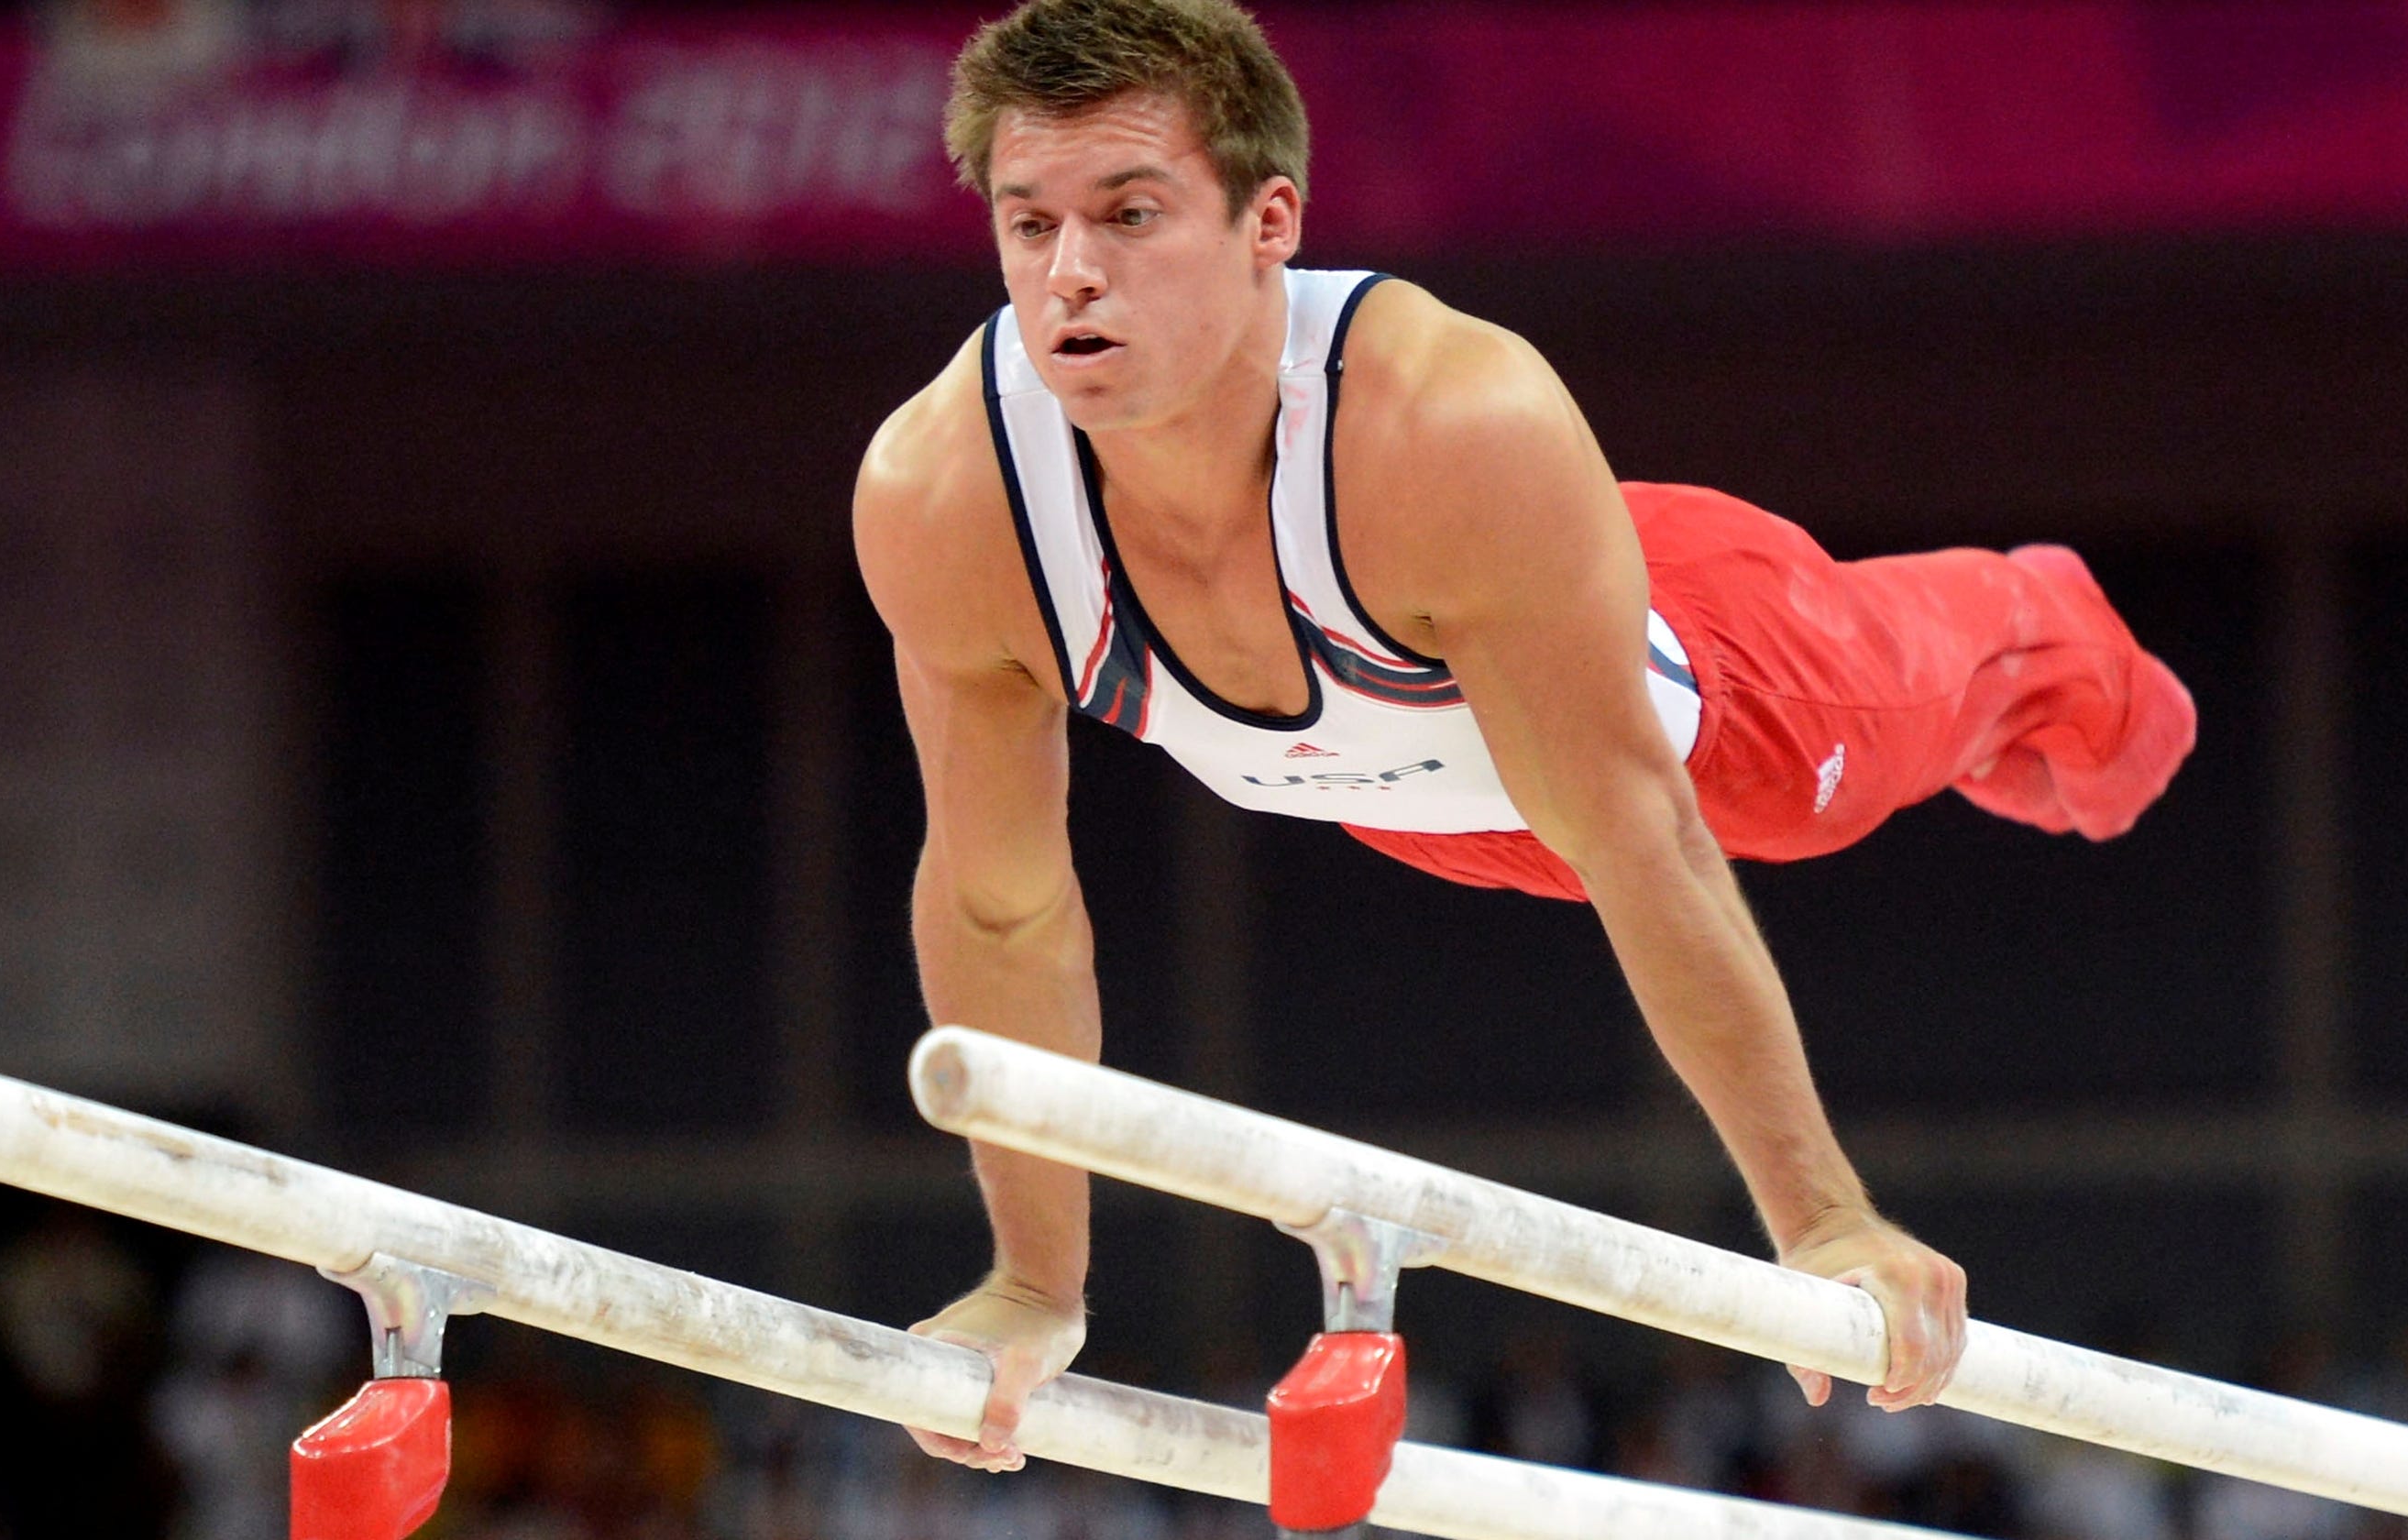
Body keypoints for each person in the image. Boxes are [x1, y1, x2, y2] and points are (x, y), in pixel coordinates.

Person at [852, 0, 2196, 1475]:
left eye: (1130, 213)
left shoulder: (1446, 423)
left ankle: (2068, 646)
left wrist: (1823, 1222)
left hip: (1719, 700)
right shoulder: (946, 496)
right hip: (1418, 797)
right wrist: (1037, 1288)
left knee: (1941, 718)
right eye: (1027, 223)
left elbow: (1639, 836)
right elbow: (1003, 900)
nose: (1073, 273)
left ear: (1268, 222)